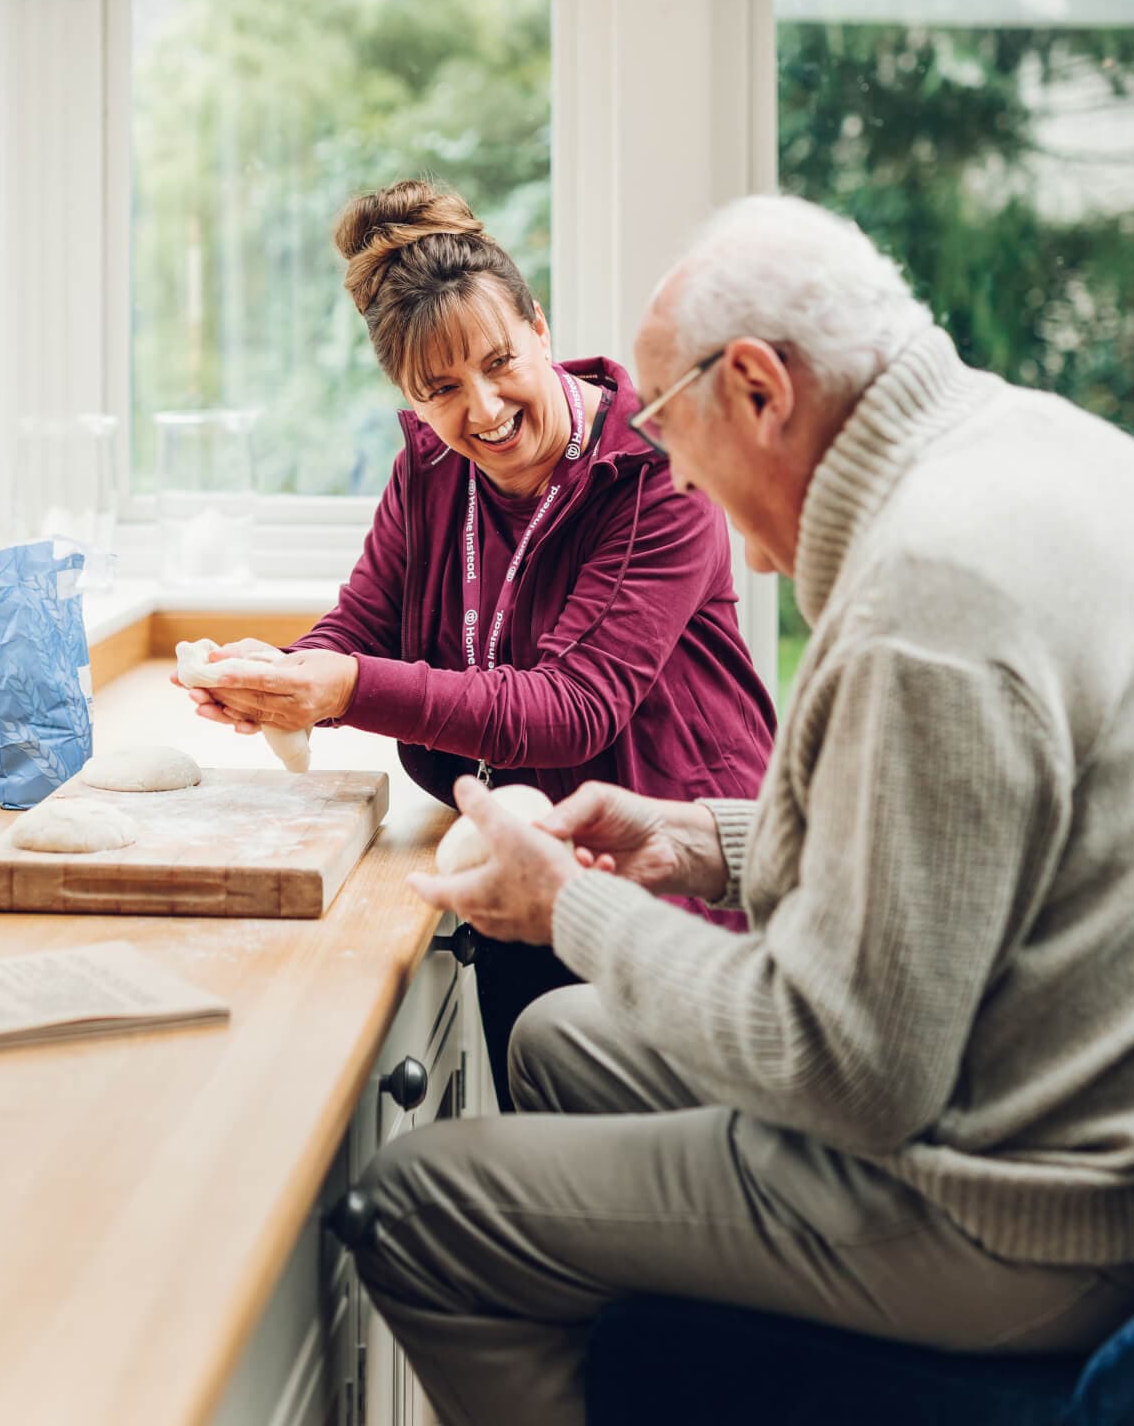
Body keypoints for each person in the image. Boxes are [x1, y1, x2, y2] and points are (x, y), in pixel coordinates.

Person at [346, 194, 1134, 1426]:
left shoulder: (929, 599)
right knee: (557, 1038)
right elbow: (967, 845)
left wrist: (576, 903)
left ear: (760, 385)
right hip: (1014, 1090)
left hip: (1011, 1201)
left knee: (416, 1202)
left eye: (675, 430)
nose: (683, 480)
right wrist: (697, 837)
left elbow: (853, 1065)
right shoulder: (1037, 445)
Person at [180, 179, 774, 1105]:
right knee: (560, 1166)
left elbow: (570, 709)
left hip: (669, 889)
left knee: (631, 1205)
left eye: (499, 362)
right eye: (440, 390)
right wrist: (278, 676)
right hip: (513, 865)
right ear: (407, 397)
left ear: (539, 326)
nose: (484, 409)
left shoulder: (655, 473)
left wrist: (340, 690)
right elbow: (362, 625)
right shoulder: (428, 465)